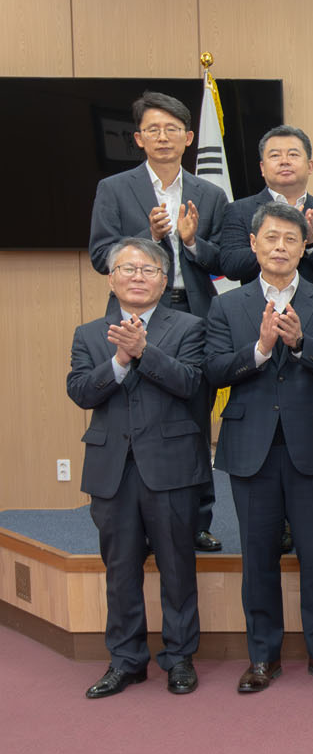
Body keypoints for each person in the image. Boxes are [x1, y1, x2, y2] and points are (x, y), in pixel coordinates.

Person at [204, 202, 313, 692]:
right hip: (252, 446)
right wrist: (261, 350)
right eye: (271, 238)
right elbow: (214, 371)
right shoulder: (227, 305)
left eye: (291, 239)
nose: (281, 247)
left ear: (304, 246)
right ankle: (262, 657)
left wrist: (302, 344)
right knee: (258, 556)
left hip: (312, 441)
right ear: (253, 245)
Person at [88, 90, 228, 551]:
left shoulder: (210, 193)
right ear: (138, 138)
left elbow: (223, 260)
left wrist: (190, 243)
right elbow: (101, 255)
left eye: (172, 129)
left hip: (194, 314)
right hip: (136, 313)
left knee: (193, 416)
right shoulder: (114, 188)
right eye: (153, 129)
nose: (163, 137)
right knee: (134, 408)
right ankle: (136, 519)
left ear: (188, 137)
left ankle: (198, 519)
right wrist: (145, 239)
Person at [69, 237, 208, 698]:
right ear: (111, 279)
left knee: (177, 566)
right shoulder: (89, 333)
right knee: (120, 569)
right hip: (112, 470)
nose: (137, 277)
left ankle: (180, 658)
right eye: (127, 269)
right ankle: (126, 660)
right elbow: (81, 392)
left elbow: (191, 384)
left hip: (170, 467)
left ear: (164, 281)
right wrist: (119, 360)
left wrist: (145, 352)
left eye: (148, 270)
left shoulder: (189, 327)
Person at [216, 125, 313, 289]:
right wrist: (272, 243)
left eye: (293, 154)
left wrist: (312, 243)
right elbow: (231, 266)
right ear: (262, 168)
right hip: (259, 303)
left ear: (310, 166)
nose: (285, 161)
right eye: (275, 155)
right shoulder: (239, 210)